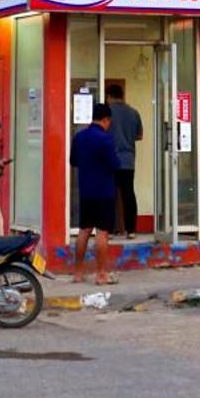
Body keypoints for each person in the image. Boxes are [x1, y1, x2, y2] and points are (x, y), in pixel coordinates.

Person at [70, 104, 119, 286]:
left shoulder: (79, 137)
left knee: (84, 230)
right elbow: (114, 164)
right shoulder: (106, 139)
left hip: (86, 191)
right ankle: (101, 274)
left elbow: (73, 161)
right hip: (104, 191)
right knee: (102, 232)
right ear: (106, 119)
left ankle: (78, 272)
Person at [105, 82, 144, 238]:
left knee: (109, 194)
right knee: (128, 195)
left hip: (111, 160)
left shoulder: (107, 112)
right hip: (128, 160)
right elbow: (140, 135)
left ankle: (108, 230)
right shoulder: (134, 113)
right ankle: (131, 230)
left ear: (109, 96)